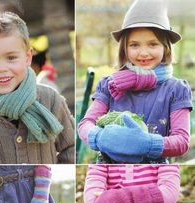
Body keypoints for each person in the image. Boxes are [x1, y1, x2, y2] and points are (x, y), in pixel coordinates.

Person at [78, 0, 193, 164]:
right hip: (110, 168)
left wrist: (147, 144)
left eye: (153, 44)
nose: (143, 53)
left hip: (153, 172)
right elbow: (85, 124)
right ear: (124, 48)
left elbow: (181, 141)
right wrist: (100, 137)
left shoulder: (175, 89)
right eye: (134, 45)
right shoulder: (110, 85)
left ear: (165, 48)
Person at [0, 11, 74, 164]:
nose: (1, 68)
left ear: (28, 57)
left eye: (11, 58)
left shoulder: (50, 100)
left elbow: (72, 147)